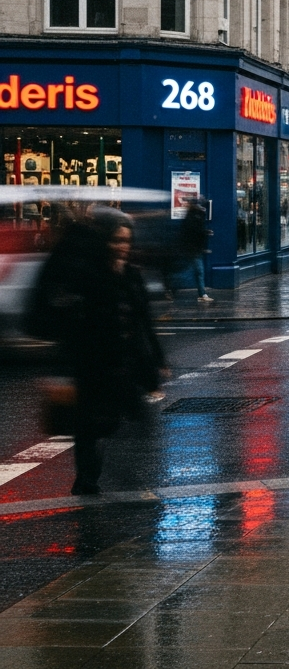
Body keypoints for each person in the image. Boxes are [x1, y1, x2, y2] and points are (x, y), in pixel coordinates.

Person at [26, 208, 167, 495]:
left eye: (127, 241)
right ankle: (88, 482)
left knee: (126, 423)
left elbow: (143, 321)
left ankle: (114, 480)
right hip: (93, 363)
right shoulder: (88, 272)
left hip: (125, 362)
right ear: (104, 240)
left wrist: (157, 359)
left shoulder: (131, 274)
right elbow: (67, 315)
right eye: (116, 240)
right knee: (91, 426)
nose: (123, 247)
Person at [168, 196, 213, 302]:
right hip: (193, 249)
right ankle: (201, 294)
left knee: (191, 272)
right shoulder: (195, 215)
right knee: (195, 272)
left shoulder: (193, 214)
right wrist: (205, 235)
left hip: (191, 248)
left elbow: (191, 231)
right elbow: (194, 232)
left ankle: (172, 290)